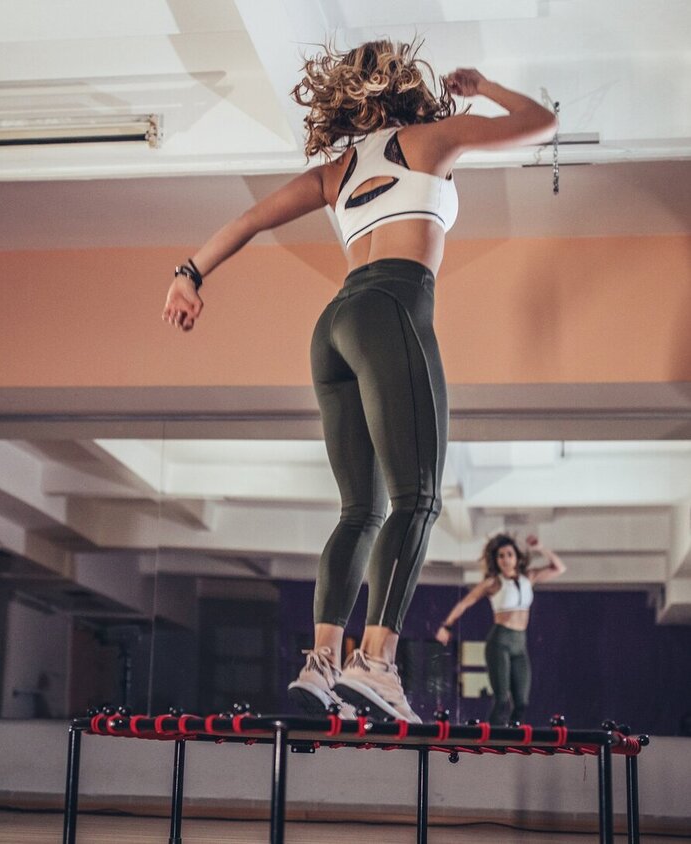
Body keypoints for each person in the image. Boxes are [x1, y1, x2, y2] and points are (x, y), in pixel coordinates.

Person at [162, 39, 557, 722]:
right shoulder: (431, 138)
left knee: (360, 511)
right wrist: (487, 84)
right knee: (420, 497)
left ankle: (321, 667)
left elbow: (248, 219)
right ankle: (374, 662)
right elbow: (540, 121)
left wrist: (188, 275)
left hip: (334, 327)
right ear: (407, 89)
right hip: (391, 308)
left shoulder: (334, 171)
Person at [435, 534, 566, 724]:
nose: (505, 559)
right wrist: (446, 626)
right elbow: (465, 603)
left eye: (509, 554)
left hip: (520, 644)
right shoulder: (493, 582)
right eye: (500, 556)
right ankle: (494, 739)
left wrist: (541, 548)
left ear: (517, 558)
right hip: (500, 641)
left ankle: (512, 736)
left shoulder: (528, 577)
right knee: (502, 699)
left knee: (522, 702)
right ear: (496, 560)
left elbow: (559, 568)